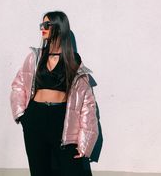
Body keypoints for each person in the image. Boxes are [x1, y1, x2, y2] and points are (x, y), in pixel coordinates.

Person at [10, 11, 98, 176]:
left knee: (71, 170)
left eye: (46, 25)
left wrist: (85, 142)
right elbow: (18, 85)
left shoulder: (73, 61)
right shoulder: (35, 57)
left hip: (62, 120)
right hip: (35, 118)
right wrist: (22, 116)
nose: (42, 29)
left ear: (59, 27)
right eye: (41, 25)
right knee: (39, 171)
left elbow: (87, 103)